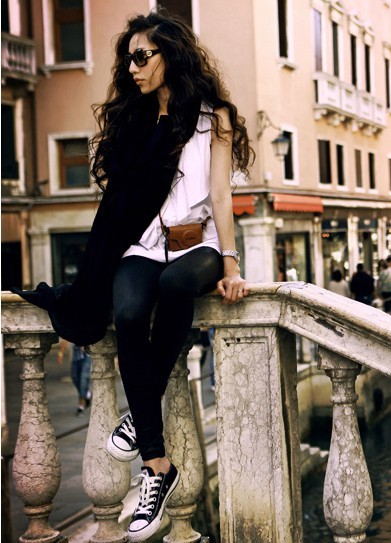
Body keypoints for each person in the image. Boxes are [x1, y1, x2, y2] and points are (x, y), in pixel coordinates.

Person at [12, 12, 253, 542]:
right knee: (126, 310)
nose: (132, 67)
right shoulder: (135, 120)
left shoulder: (213, 117)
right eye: (128, 59)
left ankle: (139, 415)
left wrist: (231, 264)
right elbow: (120, 199)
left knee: (174, 286)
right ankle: (157, 466)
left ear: (172, 55)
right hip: (143, 245)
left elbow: (219, 194)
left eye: (142, 56)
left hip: (198, 244)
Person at [58, 341, 92, 416]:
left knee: (83, 380)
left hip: (86, 358)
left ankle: (81, 406)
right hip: (75, 359)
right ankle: (86, 393)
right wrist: (60, 353)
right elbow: (65, 340)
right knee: (75, 377)